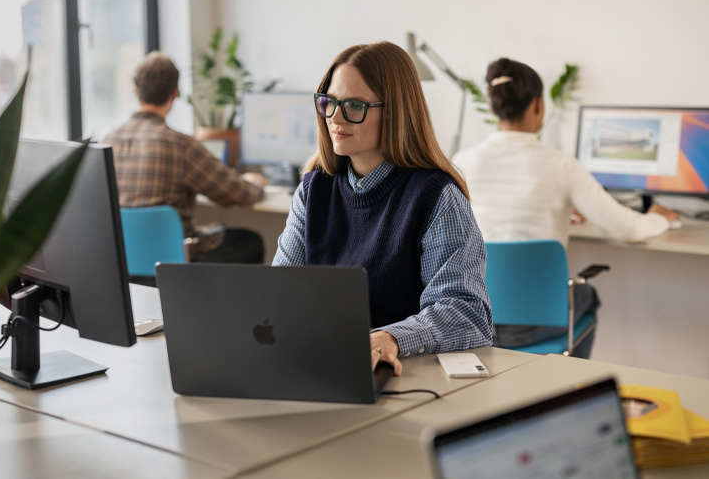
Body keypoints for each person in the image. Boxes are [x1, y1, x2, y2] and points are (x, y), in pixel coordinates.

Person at [272, 41, 493, 377]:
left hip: (402, 374)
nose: (335, 117)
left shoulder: (436, 196)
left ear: (395, 111)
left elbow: (465, 312)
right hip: (321, 367)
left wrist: (391, 337)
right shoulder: (313, 189)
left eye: (354, 106)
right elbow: (280, 291)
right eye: (328, 103)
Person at [452, 57, 680, 357]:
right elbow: (629, 229)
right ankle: (567, 389)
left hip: (472, 318)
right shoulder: (561, 166)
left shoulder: (461, 162)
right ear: (538, 106)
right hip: (536, 322)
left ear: (494, 109)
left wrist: (556, 210)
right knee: (587, 296)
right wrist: (657, 219)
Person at [103, 52, 269, 263]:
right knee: (250, 242)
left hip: (122, 259)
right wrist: (253, 183)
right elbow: (236, 193)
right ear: (175, 94)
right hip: (172, 260)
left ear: (136, 91)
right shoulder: (179, 144)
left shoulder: (106, 141)